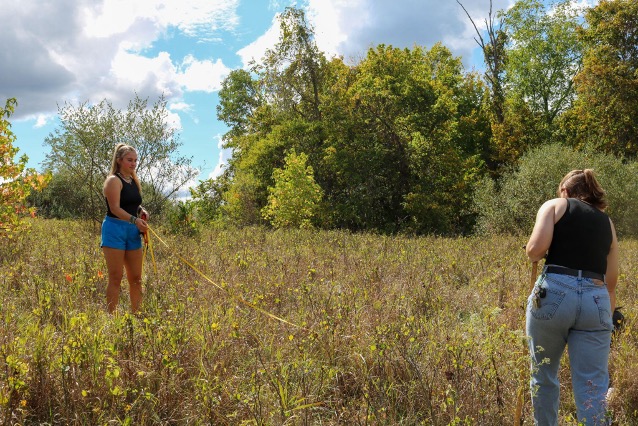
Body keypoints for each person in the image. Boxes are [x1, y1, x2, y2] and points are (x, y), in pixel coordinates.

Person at [525, 169, 619, 426]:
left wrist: (533, 252)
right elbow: (611, 281)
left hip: (554, 293)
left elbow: (535, 250)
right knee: (593, 386)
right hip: (597, 300)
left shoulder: (555, 206)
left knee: (543, 375)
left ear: (565, 191)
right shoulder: (607, 222)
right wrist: (605, 320)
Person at [101, 143, 149, 314]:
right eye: (130, 160)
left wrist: (141, 211)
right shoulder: (113, 180)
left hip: (132, 231)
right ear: (119, 160)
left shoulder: (133, 180)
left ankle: (137, 314)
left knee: (136, 278)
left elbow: (132, 203)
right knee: (115, 277)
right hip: (115, 230)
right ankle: (111, 317)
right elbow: (114, 208)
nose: (133, 164)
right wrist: (135, 220)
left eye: (135, 160)